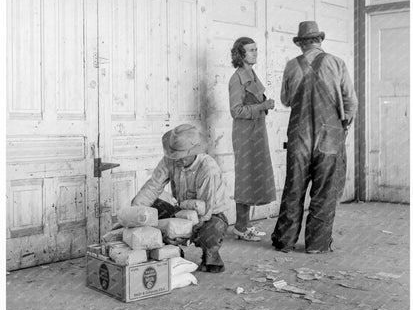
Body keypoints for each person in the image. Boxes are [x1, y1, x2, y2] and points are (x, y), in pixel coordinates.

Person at [271, 21, 358, 254]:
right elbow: (351, 102)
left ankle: (285, 241)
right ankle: (317, 245)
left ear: (300, 44)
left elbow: (286, 99)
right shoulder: (336, 63)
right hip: (329, 136)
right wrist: (344, 124)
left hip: (299, 136)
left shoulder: (291, 66)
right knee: (325, 191)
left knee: (294, 188)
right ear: (319, 41)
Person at [131, 124, 229, 273]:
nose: (176, 159)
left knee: (211, 231)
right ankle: (172, 251)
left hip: (209, 215)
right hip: (183, 210)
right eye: (174, 155)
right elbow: (152, 187)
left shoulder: (208, 169)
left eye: (180, 156)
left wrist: (184, 233)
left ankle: (211, 256)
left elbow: (205, 211)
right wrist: (135, 213)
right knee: (152, 209)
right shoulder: (169, 160)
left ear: (193, 152)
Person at [228, 37, 276, 242]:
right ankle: (240, 226)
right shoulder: (236, 78)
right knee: (245, 178)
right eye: (250, 50)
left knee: (255, 176)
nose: (255, 53)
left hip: (257, 131)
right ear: (240, 53)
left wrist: (264, 105)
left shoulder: (252, 73)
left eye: (256, 49)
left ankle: (245, 224)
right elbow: (236, 110)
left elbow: (255, 99)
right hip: (245, 134)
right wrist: (262, 107)